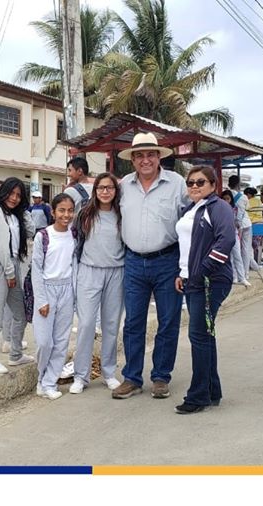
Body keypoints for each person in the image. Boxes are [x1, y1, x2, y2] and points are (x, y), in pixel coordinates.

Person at [113, 132, 188, 400]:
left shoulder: (177, 184)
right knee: (133, 322)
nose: (145, 160)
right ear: (132, 160)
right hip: (133, 262)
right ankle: (132, 378)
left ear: (159, 157)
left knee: (168, 321)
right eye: (140, 155)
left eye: (150, 155)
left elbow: (191, 219)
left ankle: (161, 377)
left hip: (168, 261)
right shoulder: (123, 185)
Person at [174, 165, 235, 414]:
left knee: (198, 336)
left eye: (200, 182)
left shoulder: (218, 207)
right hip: (193, 280)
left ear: (213, 185)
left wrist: (202, 270)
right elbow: (187, 245)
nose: (195, 186)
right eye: (190, 182)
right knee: (204, 336)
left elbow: (226, 240)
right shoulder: (191, 208)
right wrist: (183, 273)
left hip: (211, 280)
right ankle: (212, 391)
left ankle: (198, 395)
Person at [72, 172, 125, 394]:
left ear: (115, 191)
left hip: (116, 272)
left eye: (109, 188)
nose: (105, 191)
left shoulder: (122, 214)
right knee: (86, 324)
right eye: (101, 187)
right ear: (95, 191)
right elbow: (74, 241)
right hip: (89, 271)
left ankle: (109, 372)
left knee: (111, 325)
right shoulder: (85, 214)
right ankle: (80, 375)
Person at [0, 177, 35, 374]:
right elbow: (0, 246)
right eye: (11, 193)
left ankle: (16, 354)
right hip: (0, 268)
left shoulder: (14, 215)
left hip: (13, 264)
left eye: (18, 195)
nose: (14, 198)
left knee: (20, 313)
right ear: (3, 192)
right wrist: (10, 273)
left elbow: (31, 231)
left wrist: (24, 210)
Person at [31, 193, 77, 400]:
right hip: (47, 290)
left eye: (70, 211)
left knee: (61, 341)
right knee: (44, 342)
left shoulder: (74, 235)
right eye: (62, 210)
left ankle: (49, 382)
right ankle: (41, 378)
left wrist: (75, 296)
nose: (66, 215)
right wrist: (41, 299)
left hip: (67, 289)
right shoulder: (43, 236)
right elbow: (36, 269)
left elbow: (75, 265)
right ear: (53, 212)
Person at [228, 176, 255, 284]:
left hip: (232, 225)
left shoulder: (226, 195)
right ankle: (245, 273)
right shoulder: (243, 197)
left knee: (233, 252)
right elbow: (246, 209)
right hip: (245, 224)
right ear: (238, 184)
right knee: (246, 250)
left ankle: (234, 275)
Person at [220, 189, 249, 288]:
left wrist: (239, 230)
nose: (226, 201)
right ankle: (234, 276)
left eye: (227, 199)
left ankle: (242, 277)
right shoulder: (219, 209)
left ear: (231, 199)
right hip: (224, 235)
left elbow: (237, 222)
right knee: (229, 257)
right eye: (224, 199)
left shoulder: (235, 209)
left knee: (237, 255)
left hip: (234, 234)